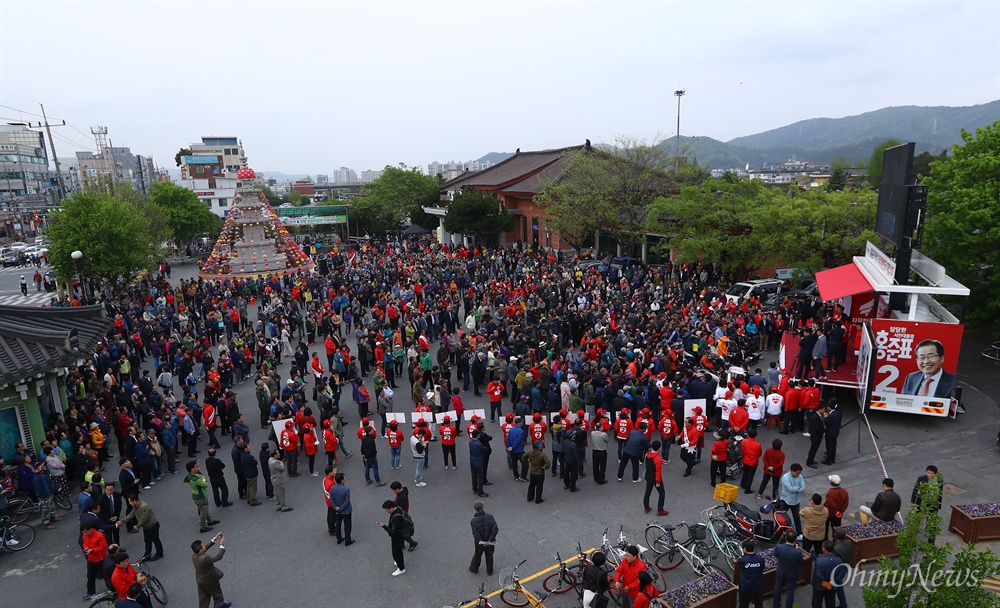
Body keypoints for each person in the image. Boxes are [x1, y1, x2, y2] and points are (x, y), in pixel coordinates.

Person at [192, 532, 232, 608]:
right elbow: (218, 557)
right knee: (218, 596)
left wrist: (214, 539)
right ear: (200, 550)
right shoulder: (204, 559)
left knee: (203, 598)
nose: (204, 546)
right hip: (209, 580)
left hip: (200, 580)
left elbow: (205, 548)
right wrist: (221, 545)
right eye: (202, 546)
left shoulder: (194, 555)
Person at [119, 496, 164, 561]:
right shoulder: (136, 506)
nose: (130, 503)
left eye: (130, 502)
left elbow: (144, 519)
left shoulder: (144, 507)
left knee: (155, 540)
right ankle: (147, 555)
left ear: (134, 501)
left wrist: (137, 526)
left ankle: (159, 553)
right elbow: (131, 514)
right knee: (147, 541)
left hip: (152, 526)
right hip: (146, 526)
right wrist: (123, 521)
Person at [183, 460, 219, 533]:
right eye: (196, 467)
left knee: (205, 509)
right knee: (203, 512)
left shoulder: (192, 476)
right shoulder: (195, 479)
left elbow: (202, 477)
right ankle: (203, 527)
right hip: (200, 497)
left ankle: (210, 520)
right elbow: (205, 484)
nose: (198, 468)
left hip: (200, 496)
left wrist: (202, 479)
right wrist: (203, 479)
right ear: (191, 469)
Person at [772, 531, 803, 608]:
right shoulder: (798, 552)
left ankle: (776, 605)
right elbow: (800, 562)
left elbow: (776, 555)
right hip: (792, 574)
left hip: (781, 572)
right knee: (790, 592)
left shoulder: (779, 547)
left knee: (777, 589)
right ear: (795, 539)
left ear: (786, 538)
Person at [378, 499, 408, 576]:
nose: (387, 511)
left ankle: (401, 568)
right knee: (399, 551)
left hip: (397, 537)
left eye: (387, 510)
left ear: (390, 508)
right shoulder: (399, 509)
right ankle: (399, 562)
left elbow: (393, 532)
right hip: (402, 534)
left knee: (396, 552)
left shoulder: (396, 518)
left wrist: (384, 527)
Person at [469, 500, 498, 576]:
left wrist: (482, 542)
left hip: (480, 544)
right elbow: (495, 529)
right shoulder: (490, 517)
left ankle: (474, 568)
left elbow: (476, 534)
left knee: (477, 555)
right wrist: (489, 540)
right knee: (489, 556)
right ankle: (489, 571)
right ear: (482, 507)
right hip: (490, 543)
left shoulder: (473, 521)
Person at [82, 520, 109, 600]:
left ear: (91, 529)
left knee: (105, 575)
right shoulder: (85, 536)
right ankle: (91, 592)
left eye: (86, 532)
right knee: (90, 576)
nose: (84, 534)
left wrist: (92, 550)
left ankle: (111, 588)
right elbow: (84, 544)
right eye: (83, 532)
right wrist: (86, 548)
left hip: (100, 559)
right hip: (91, 559)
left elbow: (103, 546)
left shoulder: (99, 536)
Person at [811, 540, 843, 608]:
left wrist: (826, 584)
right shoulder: (838, 560)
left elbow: (819, 575)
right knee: (830, 604)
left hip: (819, 587)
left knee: (816, 604)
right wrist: (831, 583)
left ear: (824, 549)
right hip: (831, 586)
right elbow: (840, 574)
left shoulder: (819, 560)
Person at [736, 540, 765, 608]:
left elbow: (737, 562)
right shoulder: (760, 559)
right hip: (758, 586)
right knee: (759, 604)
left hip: (745, 586)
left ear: (745, 549)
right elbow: (762, 568)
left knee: (743, 605)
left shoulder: (742, 560)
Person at [390, 481, 418, 551]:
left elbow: (399, 508)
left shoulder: (401, 497)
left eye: (393, 490)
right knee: (401, 531)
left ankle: (412, 543)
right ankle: (402, 544)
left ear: (397, 489)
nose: (393, 492)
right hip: (404, 513)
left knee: (403, 531)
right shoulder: (403, 492)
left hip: (402, 515)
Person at [780, 463, 806, 535]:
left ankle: (799, 532)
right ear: (792, 471)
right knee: (782, 516)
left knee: (797, 517)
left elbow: (803, 488)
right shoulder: (786, 477)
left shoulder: (800, 476)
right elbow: (790, 489)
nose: (798, 475)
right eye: (797, 473)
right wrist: (798, 488)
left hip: (795, 501)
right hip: (786, 500)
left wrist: (796, 489)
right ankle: (780, 530)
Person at [643, 440, 667, 516]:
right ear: (659, 448)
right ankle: (660, 509)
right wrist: (658, 482)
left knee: (648, 492)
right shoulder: (657, 459)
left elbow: (646, 464)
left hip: (648, 476)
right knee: (662, 493)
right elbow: (658, 472)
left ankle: (646, 507)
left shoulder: (647, 454)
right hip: (655, 478)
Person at [329, 471, 353, 545]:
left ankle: (339, 538)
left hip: (337, 510)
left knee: (338, 524)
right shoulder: (346, 489)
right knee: (347, 525)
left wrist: (336, 508)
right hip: (346, 510)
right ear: (343, 480)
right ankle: (347, 539)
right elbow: (347, 501)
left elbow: (331, 499)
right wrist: (341, 508)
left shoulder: (333, 488)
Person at [831, 528, 852, 608]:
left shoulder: (836, 549)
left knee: (836, 587)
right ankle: (843, 604)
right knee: (839, 588)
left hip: (838, 571)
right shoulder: (849, 542)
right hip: (845, 567)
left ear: (835, 535)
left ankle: (843, 605)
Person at [824, 475, 849, 539]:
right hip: (839, 514)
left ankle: (825, 539)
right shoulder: (844, 492)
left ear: (831, 483)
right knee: (836, 528)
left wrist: (835, 512)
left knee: (825, 527)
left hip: (829, 513)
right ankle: (835, 539)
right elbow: (846, 503)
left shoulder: (830, 493)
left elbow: (831, 505)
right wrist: (840, 512)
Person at [505, 417, 528, 482]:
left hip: (512, 450)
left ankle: (516, 475)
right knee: (525, 463)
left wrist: (509, 447)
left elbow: (508, 439)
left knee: (514, 463)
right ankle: (523, 476)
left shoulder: (511, 430)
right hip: (519, 450)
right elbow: (518, 440)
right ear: (519, 423)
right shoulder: (521, 431)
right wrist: (513, 447)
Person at [740, 429, 762, 495]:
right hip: (753, 462)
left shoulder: (744, 441)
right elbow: (759, 454)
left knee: (745, 473)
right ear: (755, 436)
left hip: (745, 459)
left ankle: (743, 484)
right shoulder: (757, 445)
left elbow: (742, 449)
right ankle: (747, 489)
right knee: (750, 475)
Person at [469, 430, 488, 497]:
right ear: (477, 436)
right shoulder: (478, 444)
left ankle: (474, 489)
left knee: (474, 475)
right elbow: (484, 449)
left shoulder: (470, 442)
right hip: (478, 461)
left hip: (472, 460)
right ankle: (481, 491)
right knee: (480, 476)